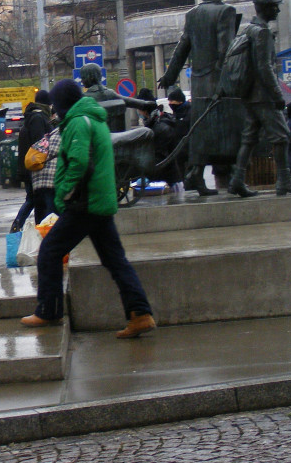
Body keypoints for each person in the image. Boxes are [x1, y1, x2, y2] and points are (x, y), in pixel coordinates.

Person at [21, 79, 156, 339]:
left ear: (62, 104)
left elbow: (79, 161)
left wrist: (63, 193)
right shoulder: (94, 119)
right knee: (115, 260)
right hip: (100, 202)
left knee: (49, 251)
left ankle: (49, 310)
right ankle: (140, 313)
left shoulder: (77, 122)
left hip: (85, 204)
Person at [158, 0, 244, 196]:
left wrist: (169, 75)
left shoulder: (193, 14)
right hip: (219, 82)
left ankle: (196, 173)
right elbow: (226, 50)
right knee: (230, 129)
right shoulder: (226, 11)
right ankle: (237, 175)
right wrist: (230, 78)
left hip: (198, 83)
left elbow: (182, 47)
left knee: (201, 130)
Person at [227, 0, 291, 197]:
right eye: (275, 6)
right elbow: (265, 67)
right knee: (282, 136)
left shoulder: (248, 29)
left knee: (249, 138)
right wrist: (277, 96)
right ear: (265, 8)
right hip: (262, 95)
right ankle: (284, 181)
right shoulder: (262, 32)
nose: (278, 10)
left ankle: (237, 180)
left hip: (250, 95)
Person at [11, 89, 53, 232]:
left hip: (29, 167)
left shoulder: (32, 117)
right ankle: (18, 224)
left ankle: (20, 225)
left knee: (34, 200)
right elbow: (40, 143)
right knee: (34, 200)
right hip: (35, 168)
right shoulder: (38, 118)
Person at [79, 63, 154, 133]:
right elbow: (133, 102)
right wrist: (150, 104)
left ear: (91, 77)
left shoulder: (83, 98)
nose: (82, 81)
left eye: (83, 77)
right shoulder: (109, 94)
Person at [136, 88, 183, 191]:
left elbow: (161, 158)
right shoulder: (154, 124)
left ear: (144, 111)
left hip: (167, 182)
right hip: (164, 181)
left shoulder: (160, 128)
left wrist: (146, 174)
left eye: (139, 110)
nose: (138, 112)